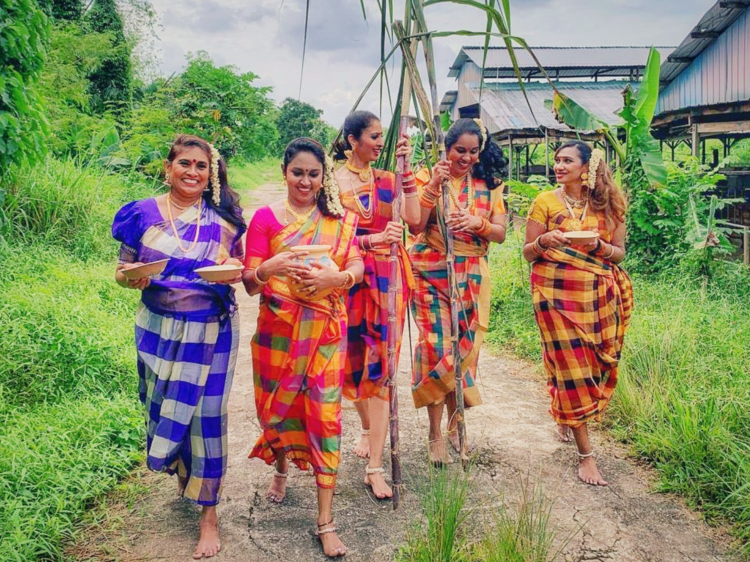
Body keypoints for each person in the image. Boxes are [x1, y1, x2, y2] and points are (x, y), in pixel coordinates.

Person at [112, 134, 246, 559]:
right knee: (162, 407)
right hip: (157, 330)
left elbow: (239, 271)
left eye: (201, 166)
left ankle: (209, 515)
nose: (192, 172)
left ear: (211, 175)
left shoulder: (225, 222)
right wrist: (132, 276)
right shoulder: (142, 214)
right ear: (168, 168)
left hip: (212, 329)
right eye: (184, 163)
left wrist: (232, 270)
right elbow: (120, 270)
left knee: (206, 419)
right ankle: (182, 474)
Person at [242, 138, 363, 558]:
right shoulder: (265, 218)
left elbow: (357, 265)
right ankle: (280, 469)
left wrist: (337, 280)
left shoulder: (339, 217)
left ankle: (326, 521)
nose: (306, 181)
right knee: (282, 406)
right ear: (284, 173)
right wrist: (267, 267)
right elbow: (249, 281)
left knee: (325, 417)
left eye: (314, 174)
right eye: (298, 173)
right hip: (278, 330)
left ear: (323, 176)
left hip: (327, 330)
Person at [523, 140, 633, 486]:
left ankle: (564, 413)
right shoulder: (545, 201)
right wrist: (544, 242)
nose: (559, 165)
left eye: (566, 160)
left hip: (598, 298)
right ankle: (586, 456)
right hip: (553, 298)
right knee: (571, 367)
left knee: (593, 365)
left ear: (587, 167)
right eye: (556, 160)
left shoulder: (608, 204)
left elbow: (619, 254)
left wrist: (599, 246)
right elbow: (528, 252)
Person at [409, 118, 508, 465]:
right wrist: (434, 184)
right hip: (430, 271)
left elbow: (500, 233)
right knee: (437, 348)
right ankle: (434, 433)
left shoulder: (489, 183)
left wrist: (476, 223)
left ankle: (456, 426)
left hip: (472, 275)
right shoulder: (429, 176)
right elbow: (416, 224)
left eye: (472, 152)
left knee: (465, 353)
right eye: (459, 151)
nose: (465, 158)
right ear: (446, 149)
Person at [333, 111, 421, 499]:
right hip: (349, 278)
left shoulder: (389, 179)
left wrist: (408, 173)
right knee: (353, 363)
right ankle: (368, 430)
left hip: (389, 280)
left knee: (383, 368)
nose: (380, 142)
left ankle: (375, 467)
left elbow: (415, 220)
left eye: (383, 136)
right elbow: (332, 235)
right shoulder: (331, 181)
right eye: (373, 136)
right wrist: (370, 242)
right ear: (353, 140)